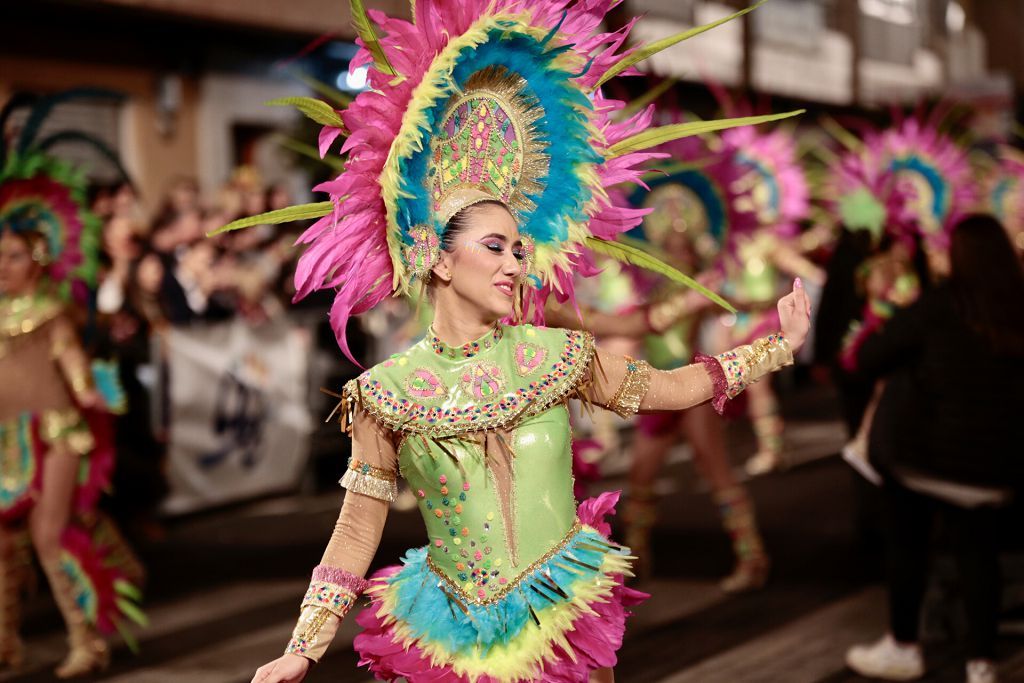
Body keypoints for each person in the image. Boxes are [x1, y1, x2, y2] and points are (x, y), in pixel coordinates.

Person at [230, 3, 804, 680]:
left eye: (521, 250)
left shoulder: (556, 355)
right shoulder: (384, 395)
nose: (515, 265)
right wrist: (303, 646)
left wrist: (777, 343)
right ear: (440, 260)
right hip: (448, 640)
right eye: (495, 247)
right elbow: (358, 527)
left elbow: (669, 386)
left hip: (562, 622)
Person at [0, 91, 145, 677]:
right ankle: (6, 643)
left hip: (54, 431)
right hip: (4, 436)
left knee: (48, 534)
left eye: (12, 256)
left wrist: (92, 395)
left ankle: (87, 642)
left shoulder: (50, 310)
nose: (2, 265)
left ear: (37, 261)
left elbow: (73, 367)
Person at [844, 214, 1024, 683]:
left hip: (925, 460)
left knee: (906, 542)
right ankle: (981, 663)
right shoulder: (1017, 308)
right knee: (978, 552)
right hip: (998, 467)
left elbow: (868, 359)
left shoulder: (939, 306)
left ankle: (904, 645)